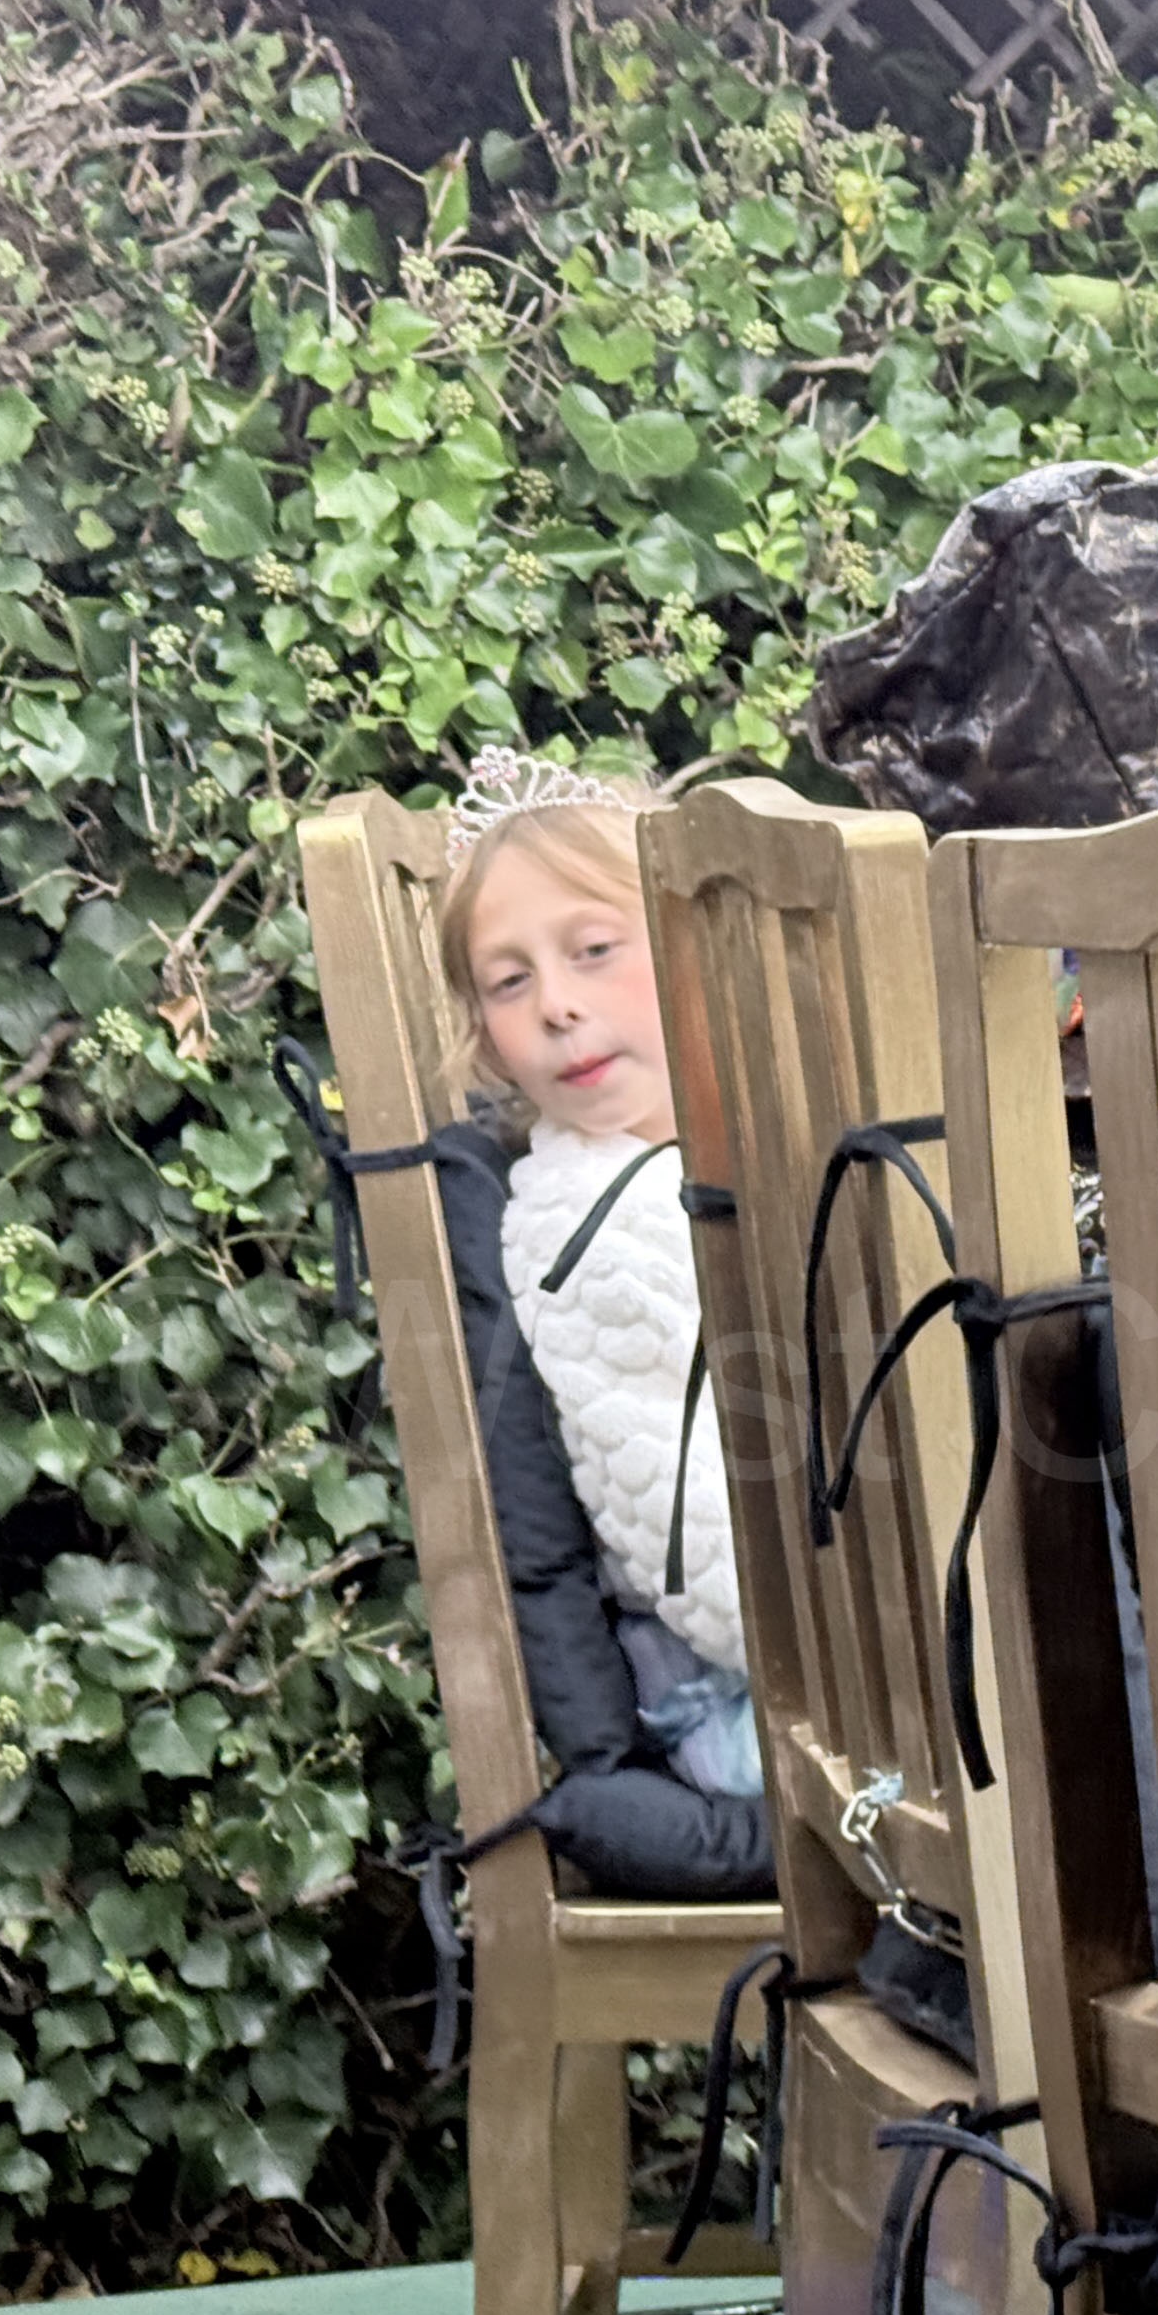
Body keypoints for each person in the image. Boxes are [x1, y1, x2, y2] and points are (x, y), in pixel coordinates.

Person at [434, 755, 760, 1798]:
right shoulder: (587, 1233)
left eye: (593, 951)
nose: (558, 1006)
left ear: (688, 944)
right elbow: (696, 1562)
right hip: (760, 1698)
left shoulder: (750, 1141)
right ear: (486, 1037)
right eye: (510, 981)